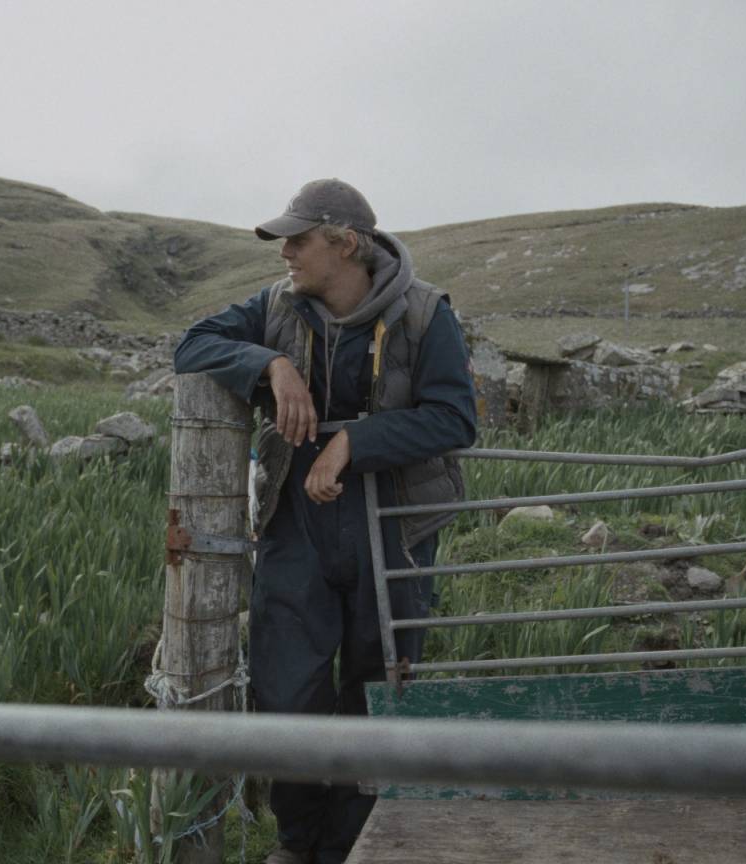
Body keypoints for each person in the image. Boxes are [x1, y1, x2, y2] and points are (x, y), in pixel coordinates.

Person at [173, 178, 477, 864]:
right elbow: (191, 344)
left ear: (345, 243)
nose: (286, 252)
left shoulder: (426, 315)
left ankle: (351, 846)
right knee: (287, 685)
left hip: (392, 524)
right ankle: (296, 843)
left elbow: (455, 418)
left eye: (299, 239)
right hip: (297, 519)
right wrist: (270, 364)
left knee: (377, 686)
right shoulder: (277, 306)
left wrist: (354, 442)